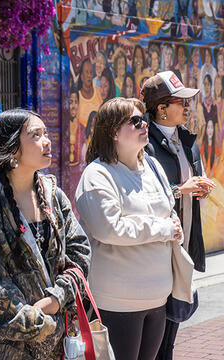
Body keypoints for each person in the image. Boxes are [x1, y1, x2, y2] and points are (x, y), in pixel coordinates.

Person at [0, 109, 91, 360]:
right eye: (35, 135)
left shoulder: (53, 194)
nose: (47, 141)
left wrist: (57, 297)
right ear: (12, 149)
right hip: (8, 348)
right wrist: (41, 322)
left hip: (60, 343)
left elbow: (81, 253)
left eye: (46, 133)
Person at [75, 97, 183, 360]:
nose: (143, 124)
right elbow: (110, 229)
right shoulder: (97, 174)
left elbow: (167, 211)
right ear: (113, 131)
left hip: (157, 298)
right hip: (117, 301)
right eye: (134, 121)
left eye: (143, 119)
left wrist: (174, 224)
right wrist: (163, 228)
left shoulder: (153, 166)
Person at [141, 70, 215, 360]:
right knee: (155, 332)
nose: (187, 106)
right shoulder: (143, 144)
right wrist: (181, 189)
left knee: (172, 327)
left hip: (183, 242)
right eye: (180, 101)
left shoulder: (187, 139)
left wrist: (201, 186)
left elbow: (191, 180)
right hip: (158, 247)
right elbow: (145, 194)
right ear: (161, 108)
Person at [77, 58, 102, 128]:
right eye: (87, 72)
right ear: (81, 76)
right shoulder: (77, 97)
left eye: (91, 73)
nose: (89, 76)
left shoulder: (99, 92)